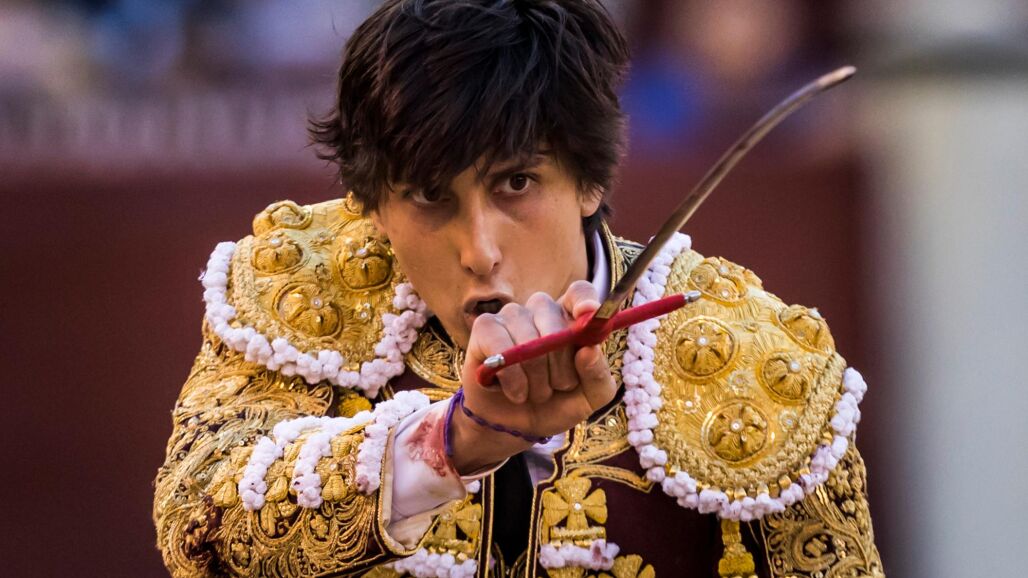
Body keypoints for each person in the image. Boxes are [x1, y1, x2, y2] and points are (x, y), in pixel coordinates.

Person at [153, 1, 884, 576]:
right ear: (371, 207)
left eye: (517, 183)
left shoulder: (756, 364)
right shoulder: (298, 296)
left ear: (590, 181)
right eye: (429, 196)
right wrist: (449, 444)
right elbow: (199, 534)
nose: (480, 251)